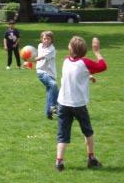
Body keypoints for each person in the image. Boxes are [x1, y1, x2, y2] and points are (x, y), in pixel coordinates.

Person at [55, 36, 107, 171]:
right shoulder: (85, 63)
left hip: (63, 103)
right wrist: (96, 51)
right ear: (84, 50)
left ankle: (59, 162)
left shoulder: (66, 61)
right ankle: (91, 158)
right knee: (88, 131)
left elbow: (74, 73)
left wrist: (88, 75)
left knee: (62, 134)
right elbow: (103, 66)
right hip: (78, 105)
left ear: (71, 49)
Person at [34, 31, 58, 120]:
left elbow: (40, 57)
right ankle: (54, 106)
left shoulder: (52, 49)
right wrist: (29, 59)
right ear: (41, 39)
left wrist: (29, 59)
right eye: (44, 39)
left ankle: (49, 113)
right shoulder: (40, 46)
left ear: (51, 40)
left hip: (51, 73)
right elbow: (37, 55)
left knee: (50, 90)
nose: (46, 41)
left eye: (48, 39)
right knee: (53, 85)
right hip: (41, 72)